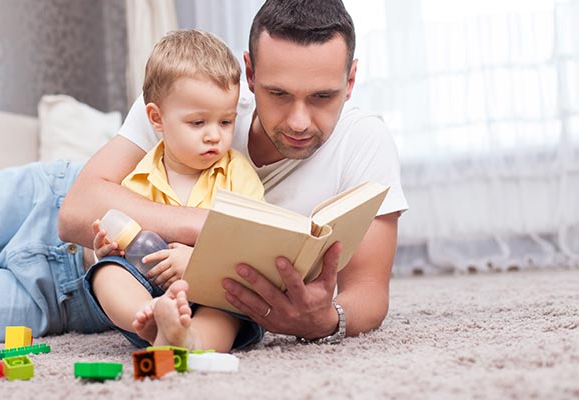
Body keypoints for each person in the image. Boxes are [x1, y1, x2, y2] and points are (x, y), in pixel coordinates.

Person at [59, 0, 408, 344]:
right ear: (250, 75)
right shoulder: (196, 95)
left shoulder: (365, 142)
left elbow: (369, 291)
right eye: (279, 94)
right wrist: (205, 224)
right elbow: (75, 211)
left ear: (349, 82)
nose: (299, 122)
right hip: (58, 206)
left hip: (130, 294)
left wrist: (325, 320)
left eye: (322, 97)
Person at [87, 29, 266, 353]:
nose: (214, 136)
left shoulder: (238, 175)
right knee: (106, 273)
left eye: (226, 122)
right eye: (198, 123)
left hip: (211, 288)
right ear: (157, 118)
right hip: (151, 288)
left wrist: (200, 262)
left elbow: (255, 247)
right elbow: (129, 245)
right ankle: (150, 318)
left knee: (231, 303)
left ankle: (190, 340)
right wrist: (107, 250)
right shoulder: (138, 179)